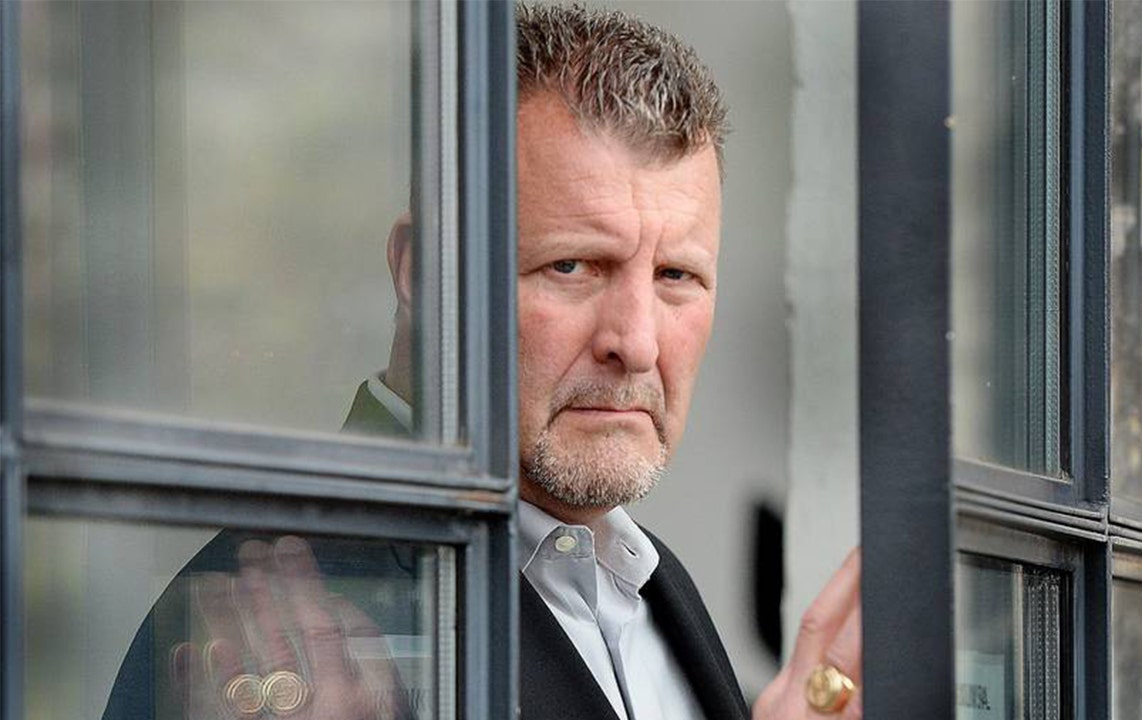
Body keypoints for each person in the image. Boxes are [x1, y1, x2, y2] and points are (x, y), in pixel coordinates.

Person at [106, 4, 862, 720]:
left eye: (677, 276)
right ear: (423, 273)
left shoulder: (646, 579)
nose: (636, 342)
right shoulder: (262, 623)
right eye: (573, 266)